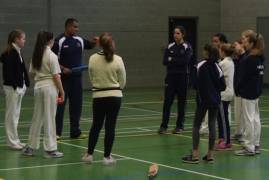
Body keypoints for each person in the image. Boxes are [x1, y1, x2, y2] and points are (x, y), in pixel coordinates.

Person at [82, 32, 126, 165]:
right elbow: (123, 81)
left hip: (98, 96)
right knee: (110, 127)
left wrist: (98, 86)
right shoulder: (118, 59)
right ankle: (107, 157)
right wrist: (116, 88)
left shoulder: (92, 58)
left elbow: (91, 76)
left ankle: (89, 155)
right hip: (115, 97)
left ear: (99, 44)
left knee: (96, 125)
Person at [52, 18, 97, 139]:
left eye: (77, 27)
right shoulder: (59, 41)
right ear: (68, 27)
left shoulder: (79, 40)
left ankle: (75, 131)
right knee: (60, 106)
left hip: (77, 80)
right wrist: (62, 69)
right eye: (75, 27)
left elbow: (90, 45)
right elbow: (52, 59)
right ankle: (56, 132)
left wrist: (94, 42)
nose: (77, 29)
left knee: (76, 106)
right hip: (62, 80)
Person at [22, 31, 64, 158]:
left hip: (38, 87)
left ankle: (30, 147)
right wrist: (62, 91)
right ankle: (50, 150)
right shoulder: (52, 56)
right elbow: (56, 76)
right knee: (50, 117)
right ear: (50, 41)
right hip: (49, 87)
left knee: (37, 117)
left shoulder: (36, 55)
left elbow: (31, 74)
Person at [182, 44, 226, 164]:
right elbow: (223, 86)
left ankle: (195, 155)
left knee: (196, 125)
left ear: (206, 52)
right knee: (212, 124)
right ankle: (210, 155)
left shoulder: (200, 65)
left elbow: (193, 84)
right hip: (215, 100)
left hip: (203, 100)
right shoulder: (218, 67)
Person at [234, 30, 265, 156]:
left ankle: (249, 146)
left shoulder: (250, 59)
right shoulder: (260, 57)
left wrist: (238, 88)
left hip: (248, 92)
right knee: (255, 118)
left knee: (248, 119)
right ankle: (255, 144)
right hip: (256, 91)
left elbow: (243, 77)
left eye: (246, 41)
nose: (243, 43)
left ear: (252, 43)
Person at [158, 26, 193, 134]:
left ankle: (179, 126)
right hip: (170, 78)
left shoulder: (187, 47)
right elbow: (165, 61)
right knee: (167, 102)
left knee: (181, 103)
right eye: (174, 33)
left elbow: (185, 61)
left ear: (182, 35)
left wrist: (172, 59)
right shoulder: (170, 46)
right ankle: (164, 126)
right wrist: (176, 60)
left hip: (182, 77)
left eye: (177, 33)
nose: (175, 35)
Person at [0, 29, 30, 150]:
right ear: (16, 39)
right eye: (23, 38)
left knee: (16, 115)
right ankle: (11, 142)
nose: (24, 41)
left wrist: (25, 83)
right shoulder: (9, 53)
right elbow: (8, 73)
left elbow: (22, 70)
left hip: (19, 87)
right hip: (13, 88)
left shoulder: (17, 52)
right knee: (11, 115)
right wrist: (15, 86)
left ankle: (16, 140)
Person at [200, 33, 229, 135]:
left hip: (222, 91)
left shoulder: (224, 60)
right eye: (213, 41)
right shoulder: (213, 60)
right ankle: (207, 127)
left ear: (222, 43)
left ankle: (224, 134)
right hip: (213, 91)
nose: (214, 43)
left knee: (224, 112)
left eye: (216, 41)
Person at [216, 43, 234, 150]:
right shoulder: (230, 62)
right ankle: (222, 138)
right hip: (228, 92)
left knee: (223, 119)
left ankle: (227, 142)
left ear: (223, 52)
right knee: (222, 117)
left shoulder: (223, 63)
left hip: (224, 94)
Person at [232, 39, 247, 142]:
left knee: (245, 115)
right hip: (237, 90)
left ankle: (245, 135)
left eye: (235, 45)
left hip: (244, 91)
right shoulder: (238, 59)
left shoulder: (246, 58)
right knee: (238, 113)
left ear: (241, 45)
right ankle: (238, 132)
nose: (234, 47)